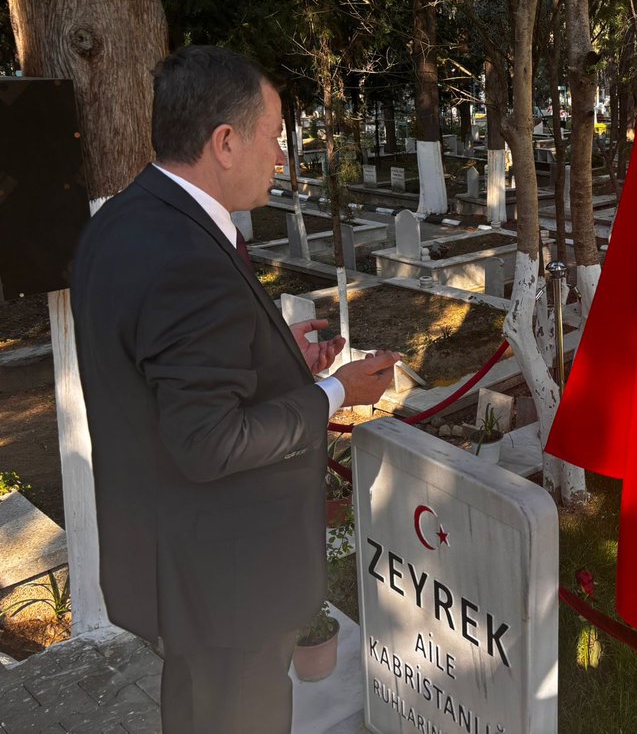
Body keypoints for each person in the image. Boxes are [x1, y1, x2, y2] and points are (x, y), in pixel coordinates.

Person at [72, 45, 399, 733]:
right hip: (229, 583)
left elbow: (162, 378)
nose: (280, 157)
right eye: (274, 136)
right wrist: (334, 393)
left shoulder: (127, 222)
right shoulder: (187, 257)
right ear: (225, 142)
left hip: (178, 567)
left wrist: (285, 363)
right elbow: (210, 442)